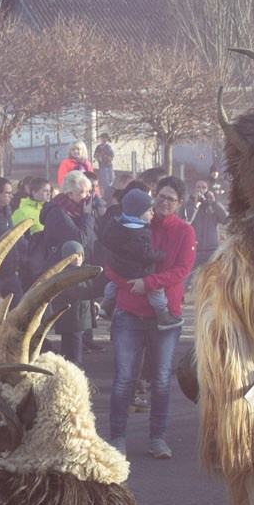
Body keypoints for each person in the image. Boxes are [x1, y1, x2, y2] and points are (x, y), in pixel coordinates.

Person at [106, 176, 194, 458]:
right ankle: (117, 438)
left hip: (165, 316)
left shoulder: (184, 231)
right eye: (161, 196)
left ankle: (158, 438)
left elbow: (182, 270)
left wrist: (148, 283)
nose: (164, 202)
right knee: (124, 378)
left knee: (161, 379)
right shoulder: (133, 222)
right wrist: (128, 284)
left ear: (180, 203)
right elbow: (111, 263)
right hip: (129, 311)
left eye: (171, 199)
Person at [38, 173, 101, 366]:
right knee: (72, 331)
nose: (88, 196)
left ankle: (74, 370)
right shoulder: (58, 213)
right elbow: (78, 239)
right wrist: (88, 216)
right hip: (67, 280)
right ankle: (73, 373)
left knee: (77, 329)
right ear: (70, 193)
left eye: (90, 191)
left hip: (80, 277)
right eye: (83, 192)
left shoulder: (77, 211)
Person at [102, 190, 171, 328]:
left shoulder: (116, 224)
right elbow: (145, 253)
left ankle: (105, 306)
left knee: (113, 284)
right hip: (136, 271)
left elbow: (106, 239)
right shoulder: (139, 231)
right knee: (155, 291)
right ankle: (163, 315)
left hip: (117, 266)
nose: (153, 213)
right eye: (149, 211)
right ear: (138, 212)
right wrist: (161, 256)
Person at [185, 177, 227, 265]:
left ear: (208, 190)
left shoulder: (213, 205)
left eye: (204, 187)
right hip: (194, 250)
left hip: (212, 250)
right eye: (198, 187)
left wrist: (214, 203)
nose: (201, 190)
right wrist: (195, 206)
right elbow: (185, 222)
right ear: (194, 190)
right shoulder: (188, 205)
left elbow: (226, 220)